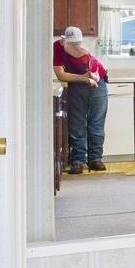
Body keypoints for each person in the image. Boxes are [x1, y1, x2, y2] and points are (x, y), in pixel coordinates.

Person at [54, 26, 109, 173]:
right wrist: (83, 79)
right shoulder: (57, 47)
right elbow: (61, 74)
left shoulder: (87, 52)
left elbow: (96, 76)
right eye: (70, 44)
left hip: (99, 84)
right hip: (77, 85)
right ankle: (77, 161)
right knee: (77, 124)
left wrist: (90, 79)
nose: (74, 47)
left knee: (96, 124)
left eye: (76, 44)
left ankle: (95, 159)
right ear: (63, 40)